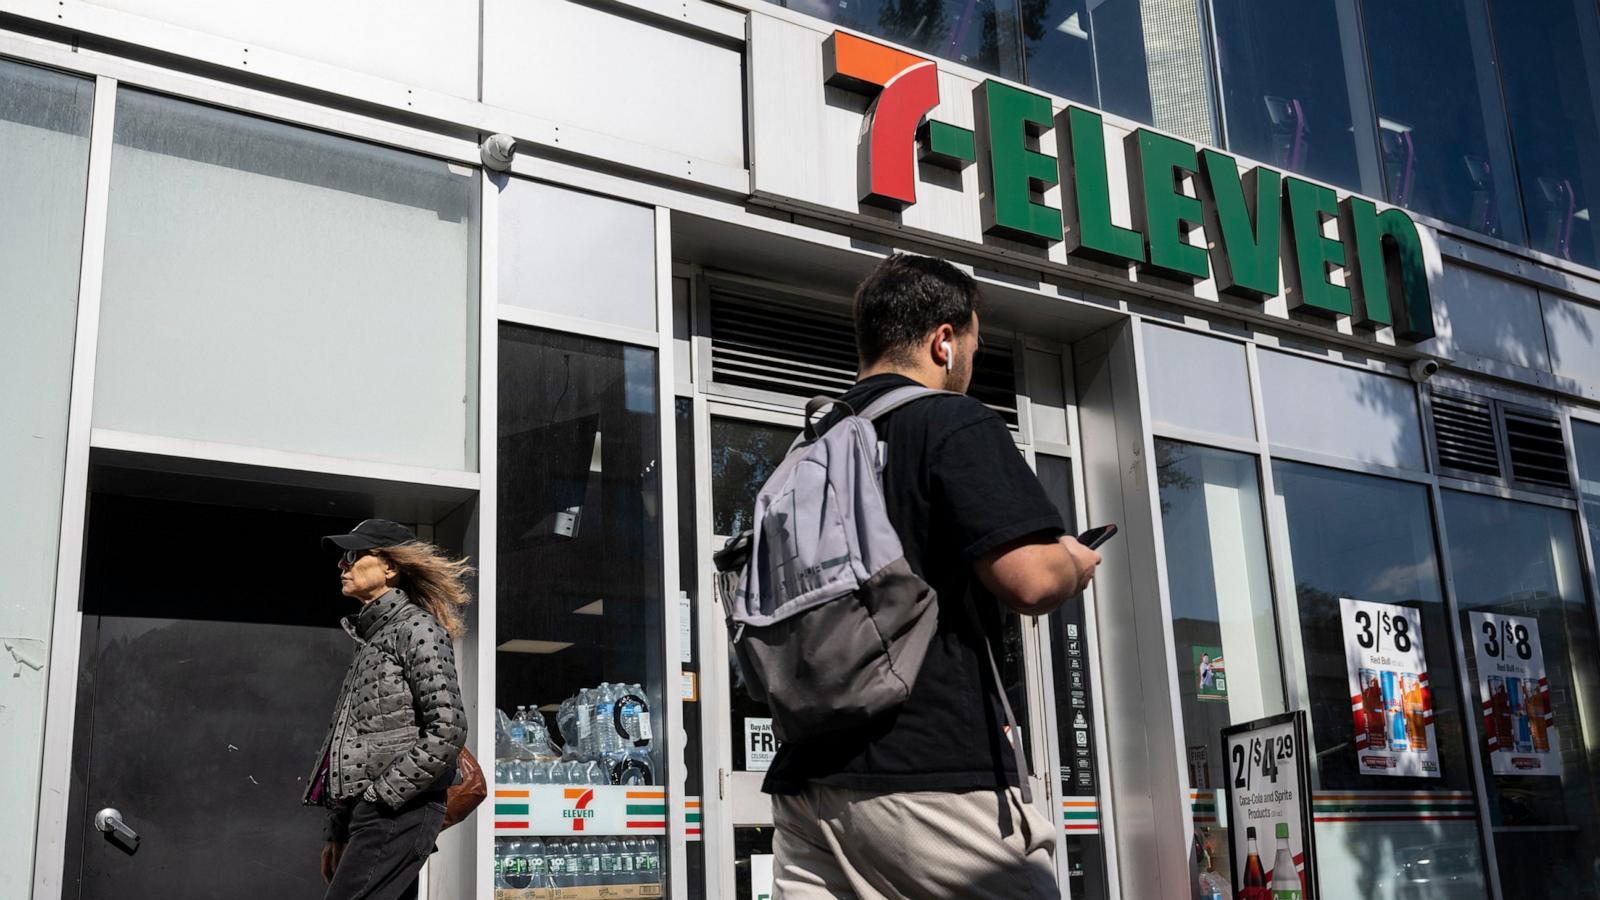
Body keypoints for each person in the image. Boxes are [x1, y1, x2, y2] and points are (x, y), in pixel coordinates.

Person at [764, 253, 1101, 899]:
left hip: (808, 781)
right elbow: (1028, 580)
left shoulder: (809, 449)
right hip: (929, 769)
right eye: (973, 342)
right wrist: (1073, 561)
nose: (971, 361)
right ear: (945, 340)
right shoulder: (951, 418)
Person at [303, 518, 472, 900]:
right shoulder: (372, 637)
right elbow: (350, 743)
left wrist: (380, 798)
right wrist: (339, 829)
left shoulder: (418, 629)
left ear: (390, 568)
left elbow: (448, 729)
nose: (341, 565)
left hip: (399, 810)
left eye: (352, 555)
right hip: (375, 814)